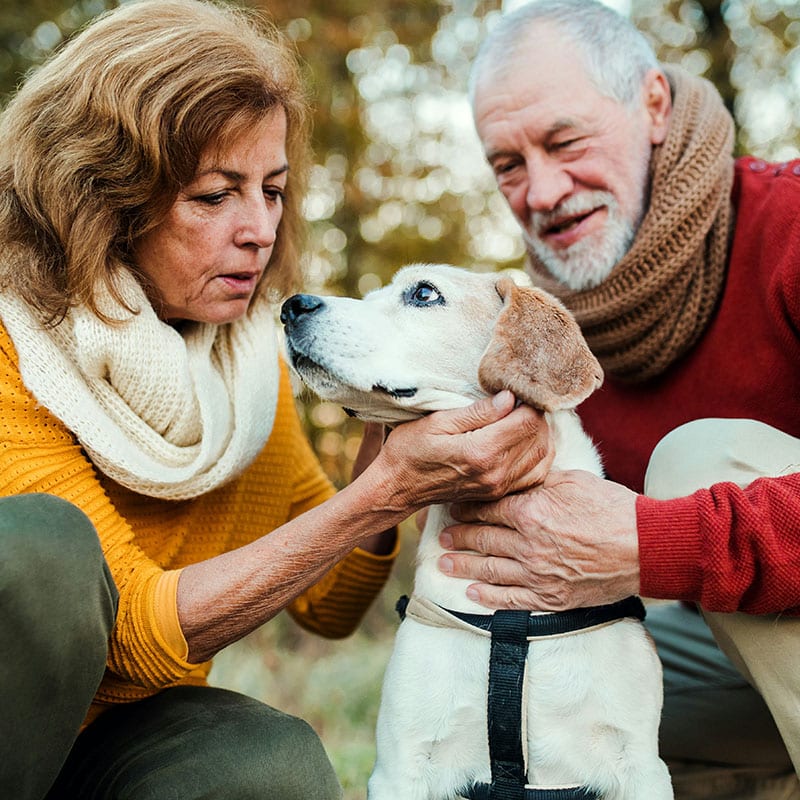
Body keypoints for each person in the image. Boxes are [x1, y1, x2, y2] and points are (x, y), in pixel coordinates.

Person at [0, 2, 550, 798]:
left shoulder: (238, 359)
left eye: (274, 189)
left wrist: (391, 412)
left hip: (100, 747)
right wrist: (390, 491)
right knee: (44, 549)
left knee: (265, 762)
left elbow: (329, 602)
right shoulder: (17, 350)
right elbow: (130, 632)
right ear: (105, 202)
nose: (260, 229)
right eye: (215, 196)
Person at [437, 0, 800, 797]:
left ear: (654, 105)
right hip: (744, 647)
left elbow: (653, 540)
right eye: (507, 164)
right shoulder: (541, 341)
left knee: (699, 462)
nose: (542, 190)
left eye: (565, 141)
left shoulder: (791, 226)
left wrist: (656, 541)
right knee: (554, 669)